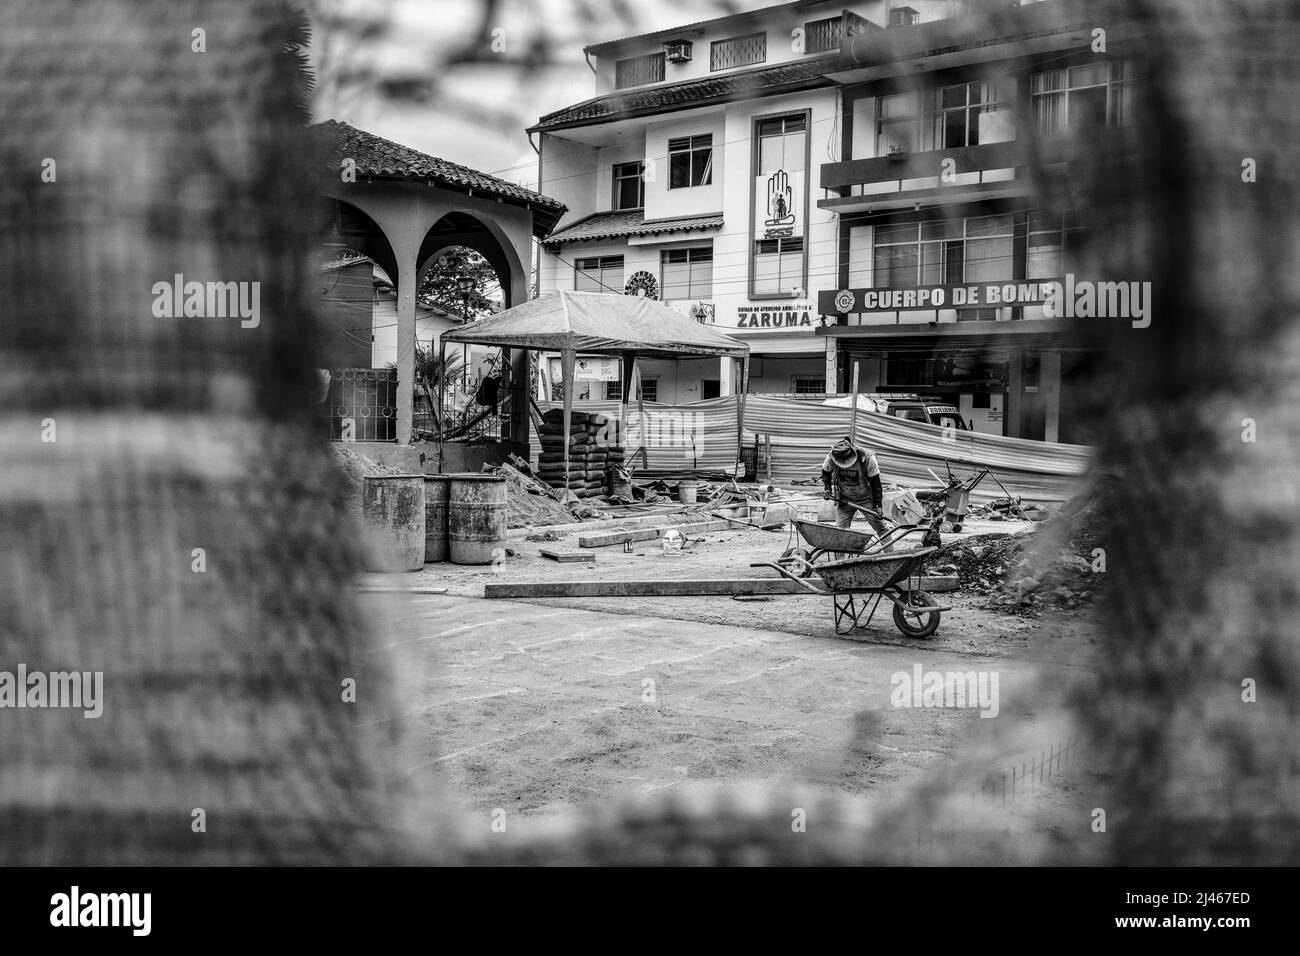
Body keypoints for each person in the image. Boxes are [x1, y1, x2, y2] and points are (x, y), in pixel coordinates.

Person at [821, 436, 889, 540]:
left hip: (866, 500)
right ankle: (840, 556)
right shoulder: (831, 457)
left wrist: (878, 505)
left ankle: (889, 555)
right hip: (844, 499)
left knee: (881, 528)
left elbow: (876, 484)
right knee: (840, 531)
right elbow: (826, 473)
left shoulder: (868, 459)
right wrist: (828, 489)